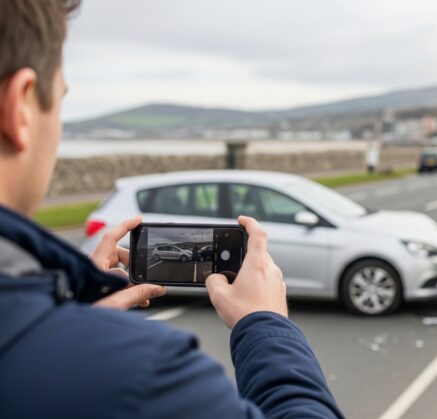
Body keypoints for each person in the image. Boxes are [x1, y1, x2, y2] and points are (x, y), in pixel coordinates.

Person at [0, 1, 343, 418]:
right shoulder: (143, 375)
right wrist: (266, 322)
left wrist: (70, 322)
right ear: (20, 107)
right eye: (59, 103)